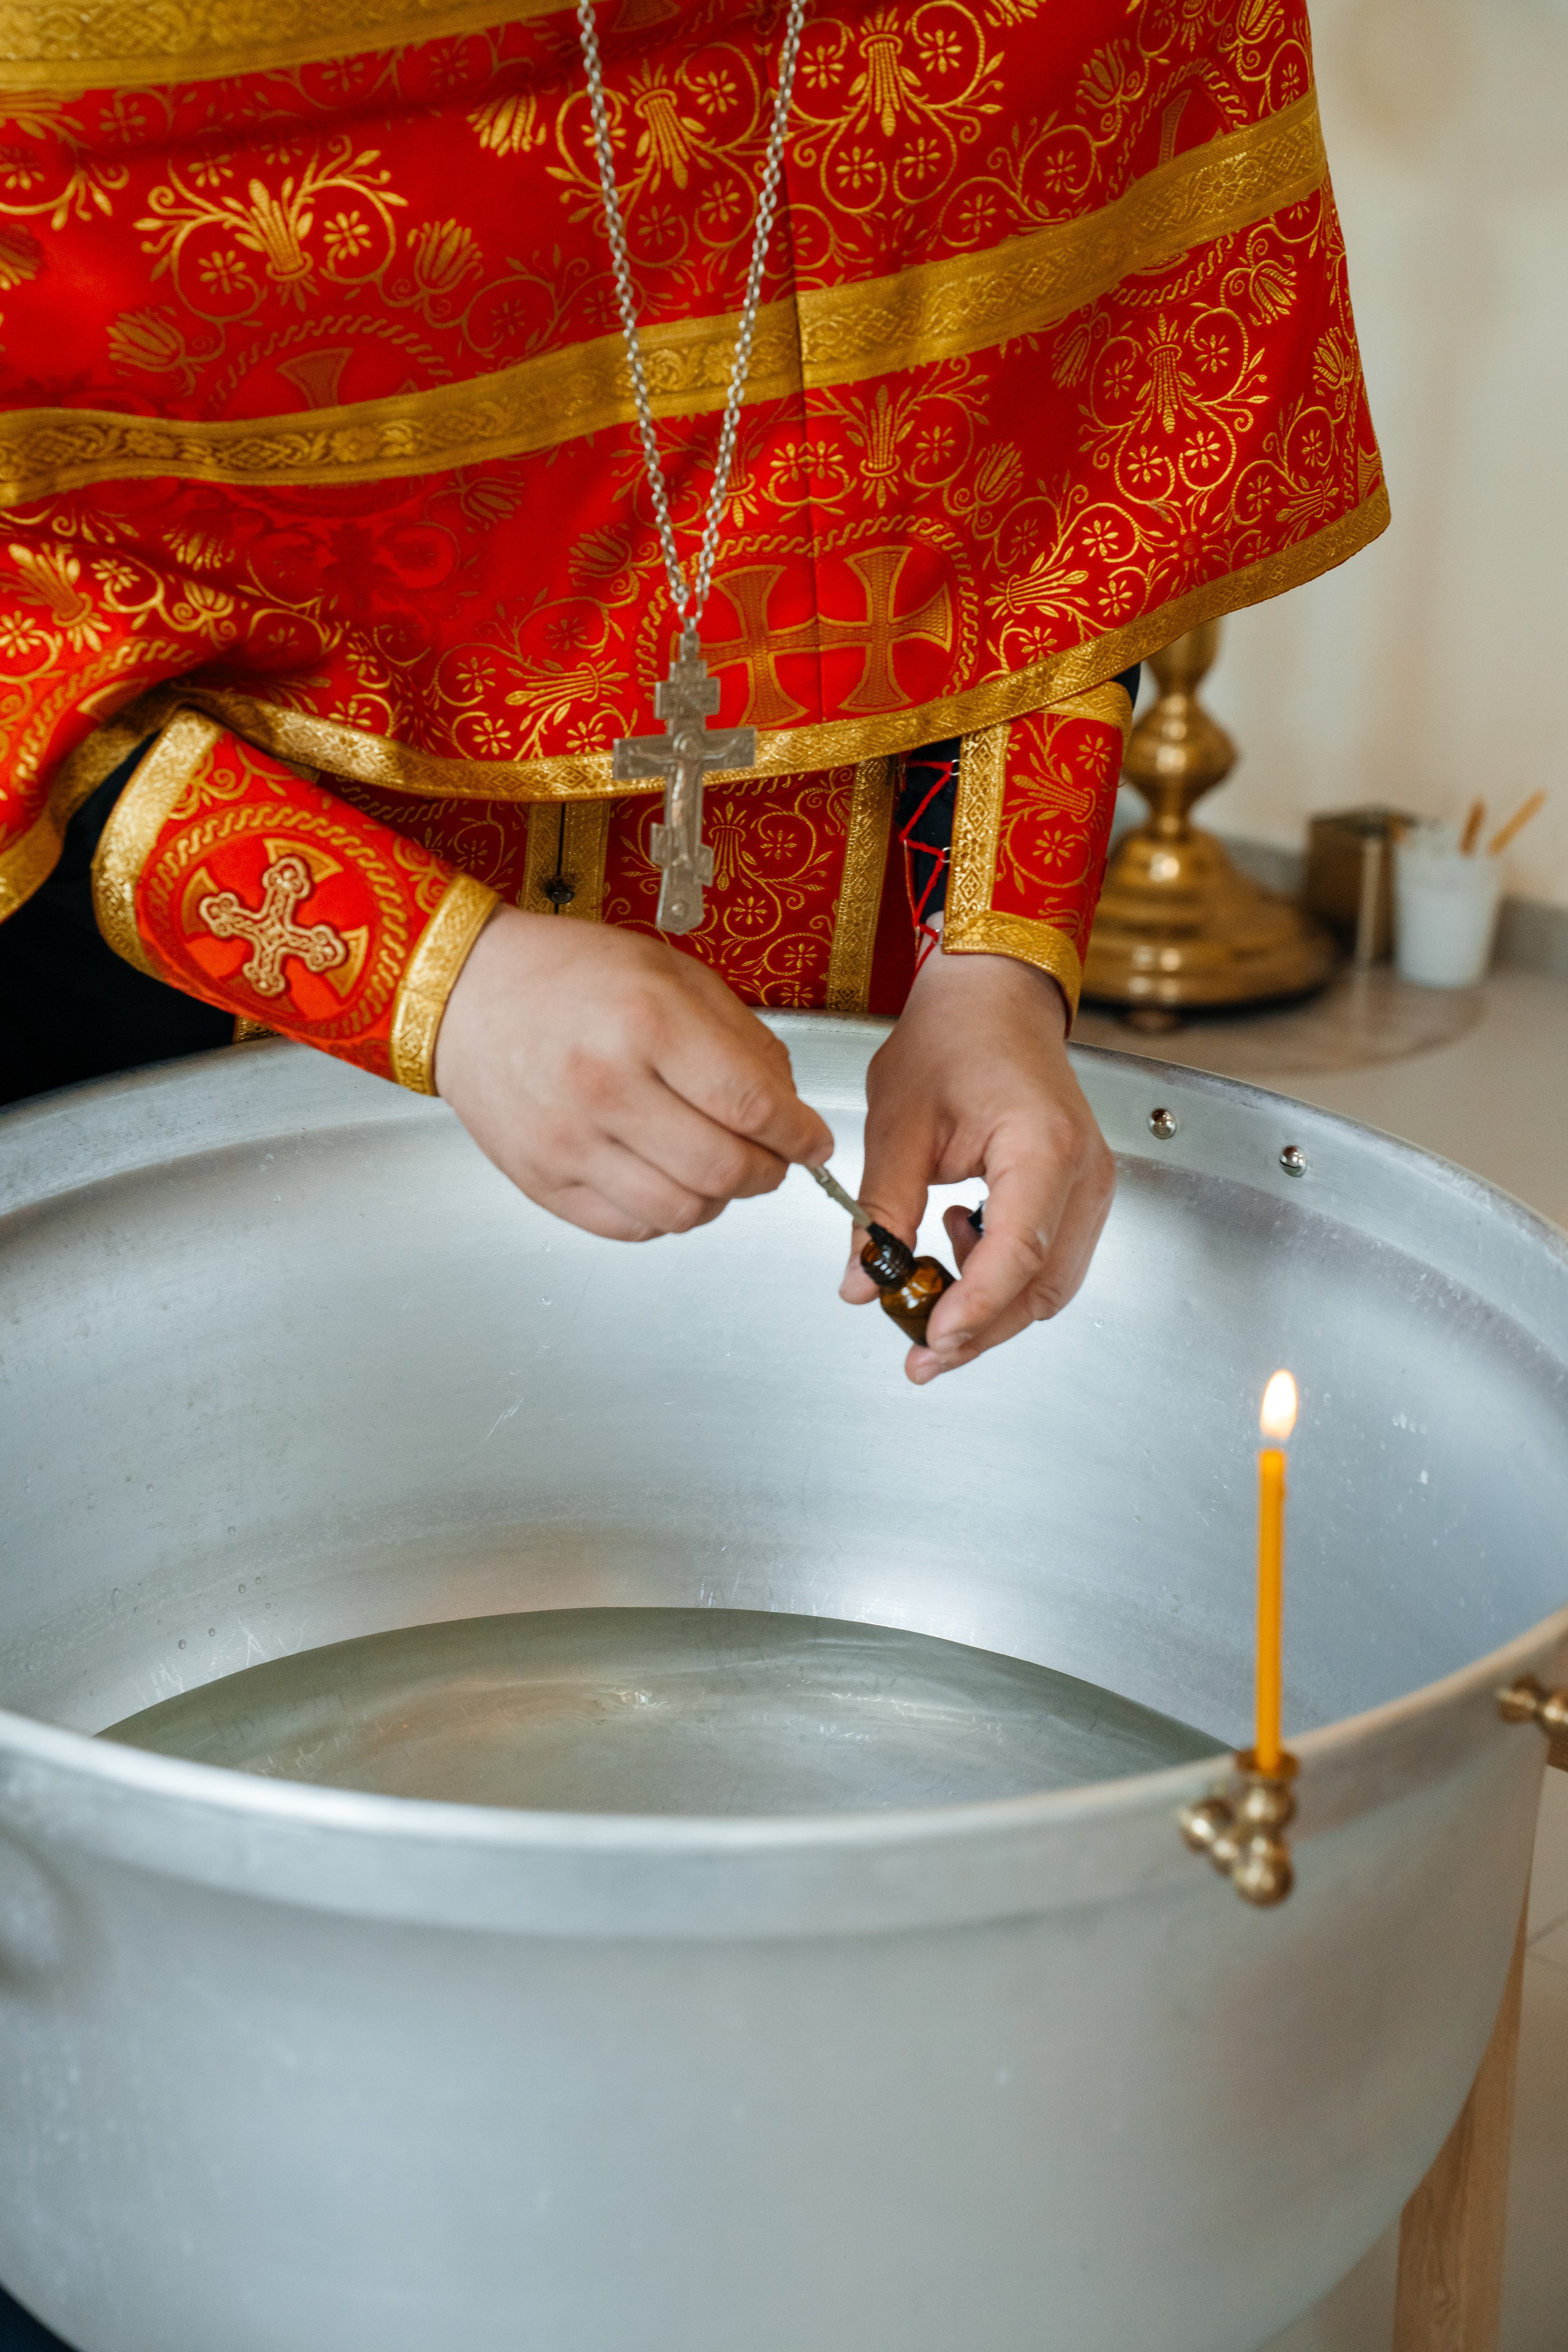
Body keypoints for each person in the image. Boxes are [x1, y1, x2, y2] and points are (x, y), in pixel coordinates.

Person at [0, 0, 1385, 1388]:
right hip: (161, 1050)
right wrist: (440, 981)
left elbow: (1053, 438)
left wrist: (992, 972)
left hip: (840, 1006)